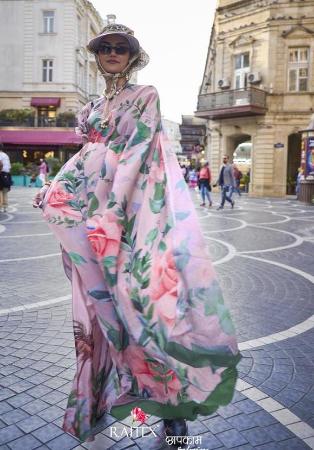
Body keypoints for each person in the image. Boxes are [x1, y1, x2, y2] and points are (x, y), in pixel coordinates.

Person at [33, 23, 240, 445]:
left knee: (145, 310)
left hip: (131, 218)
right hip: (89, 218)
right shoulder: (91, 107)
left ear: (133, 55)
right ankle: (100, 398)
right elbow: (86, 156)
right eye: (104, 47)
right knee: (99, 312)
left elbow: (139, 152)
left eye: (120, 47)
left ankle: (172, 411)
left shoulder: (145, 96)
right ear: (97, 54)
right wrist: (55, 190)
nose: (111, 52)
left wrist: (113, 211)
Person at [0, 144, 11, 213]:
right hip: (7, 174)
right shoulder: (5, 155)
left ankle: (0, 206)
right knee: (5, 191)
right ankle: (5, 207)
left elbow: (0, 164)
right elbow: (9, 166)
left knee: (0, 191)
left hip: (1, 173)